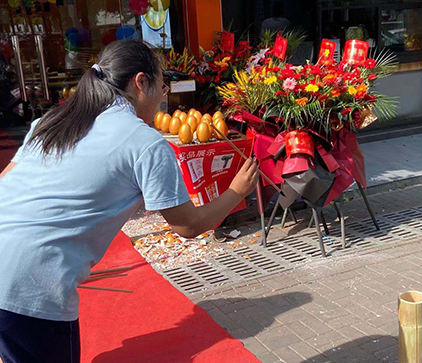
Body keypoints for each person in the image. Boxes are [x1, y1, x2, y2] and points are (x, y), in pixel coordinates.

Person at [0, 40, 259, 363]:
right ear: (141, 82)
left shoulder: (51, 121)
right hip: (30, 283)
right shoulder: (144, 143)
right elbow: (188, 225)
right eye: (162, 86)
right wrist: (237, 190)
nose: (162, 98)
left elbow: (6, 184)